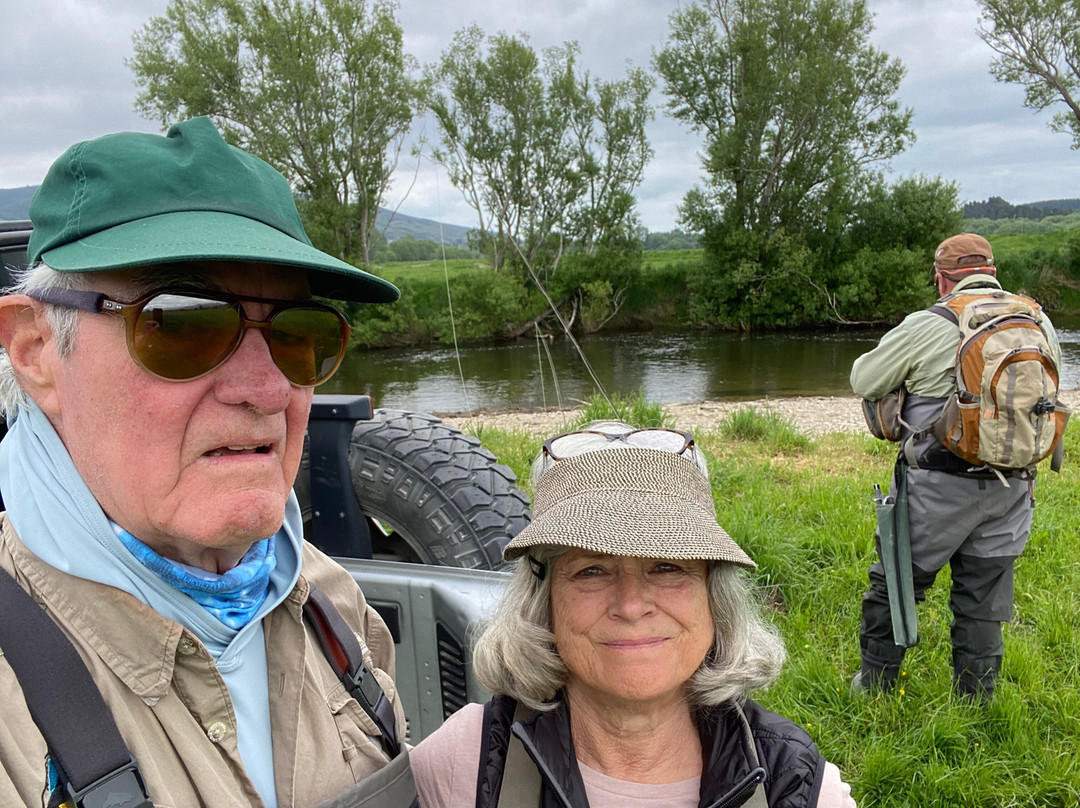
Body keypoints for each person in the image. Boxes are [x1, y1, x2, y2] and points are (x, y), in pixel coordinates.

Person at [0, 117, 409, 807]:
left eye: (297, 334)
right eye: (183, 324)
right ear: (36, 349)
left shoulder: (331, 605)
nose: (268, 389)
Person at [411, 422, 856, 807]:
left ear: (713, 597)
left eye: (666, 566)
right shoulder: (466, 763)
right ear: (543, 602)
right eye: (591, 570)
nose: (629, 605)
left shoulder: (797, 783)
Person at [849, 233, 1061, 701]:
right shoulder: (1037, 320)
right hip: (1014, 487)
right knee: (985, 599)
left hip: (938, 485)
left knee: (897, 582)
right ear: (992, 270)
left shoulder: (930, 321)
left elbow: (863, 378)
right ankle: (976, 700)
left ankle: (877, 688)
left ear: (941, 277)